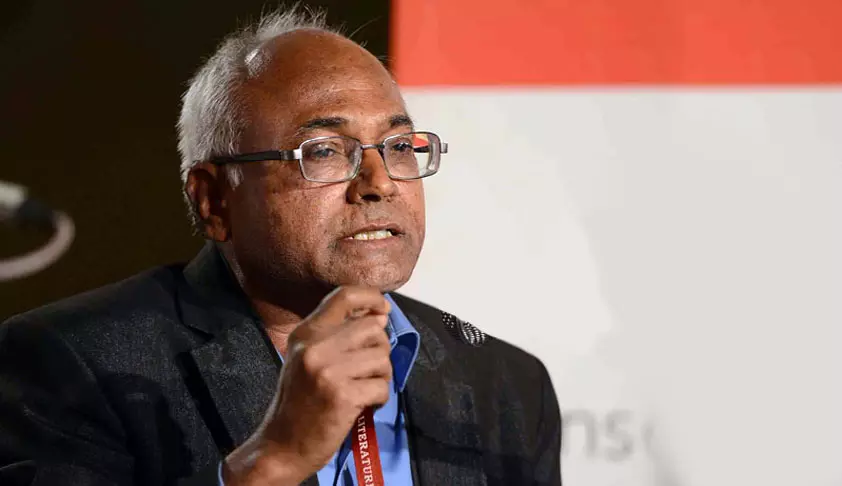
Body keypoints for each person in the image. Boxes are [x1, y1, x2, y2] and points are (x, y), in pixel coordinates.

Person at [0, 8, 561, 486]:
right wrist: (273, 460)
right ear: (214, 200)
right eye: (323, 151)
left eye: (398, 146)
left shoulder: (507, 385)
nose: (380, 183)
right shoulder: (68, 364)